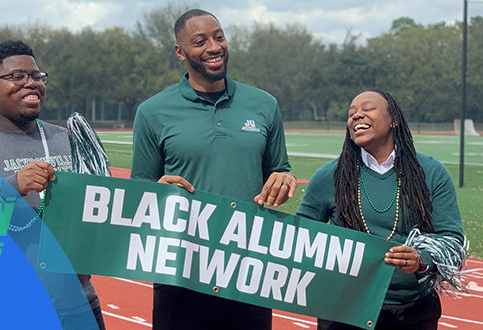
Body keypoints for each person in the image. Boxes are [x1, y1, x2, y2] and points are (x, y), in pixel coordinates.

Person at [130, 9, 297, 330]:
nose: (214, 46)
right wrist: (158, 192)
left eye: (218, 36)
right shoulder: (152, 111)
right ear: (180, 52)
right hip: (182, 270)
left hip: (249, 269)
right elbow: (140, 194)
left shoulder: (264, 104)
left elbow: (280, 169)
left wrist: (285, 179)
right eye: (199, 41)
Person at [0, 40, 105, 330]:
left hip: (80, 309)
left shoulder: (65, 139)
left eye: (37, 76)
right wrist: (12, 186)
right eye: (18, 77)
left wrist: (153, 194)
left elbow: (101, 207)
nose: (32, 83)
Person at [296, 89, 465, 329]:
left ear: (393, 119)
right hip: (344, 310)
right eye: (351, 113)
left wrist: (421, 259)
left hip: (412, 311)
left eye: (367, 109)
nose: (356, 116)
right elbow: (300, 238)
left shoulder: (432, 172)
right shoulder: (328, 176)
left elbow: (452, 240)